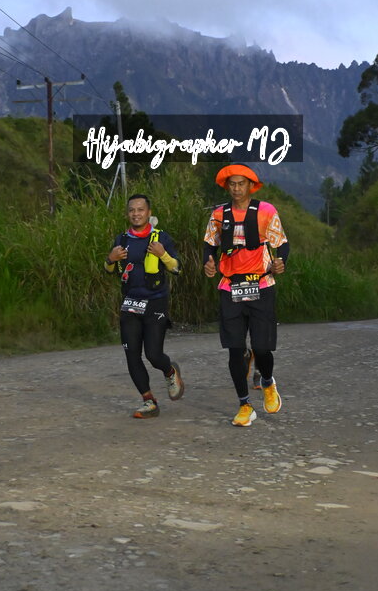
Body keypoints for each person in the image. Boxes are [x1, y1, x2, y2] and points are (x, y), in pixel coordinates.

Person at [203, 164, 289, 426]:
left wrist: (280, 262)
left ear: (252, 186)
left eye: (241, 184)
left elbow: (282, 244)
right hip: (230, 287)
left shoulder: (266, 211)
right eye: (232, 184)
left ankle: (267, 381)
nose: (237, 188)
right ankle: (244, 405)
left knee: (262, 348)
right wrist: (208, 262)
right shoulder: (219, 214)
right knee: (235, 350)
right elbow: (209, 244)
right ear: (227, 187)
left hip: (261, 285)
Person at [105, 194, 184, 418]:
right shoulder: (121, 240)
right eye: (132, 210)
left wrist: (163, 255)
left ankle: (170, 371)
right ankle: (149, 401)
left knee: (153, 354)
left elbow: (177, 268)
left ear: (149, 213)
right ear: (127, 213)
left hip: (155, 302)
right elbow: (109, 270)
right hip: (130, 304)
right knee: (132, 355)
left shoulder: (161, 238)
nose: (136, 214)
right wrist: (110, 259)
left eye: (140, 210)